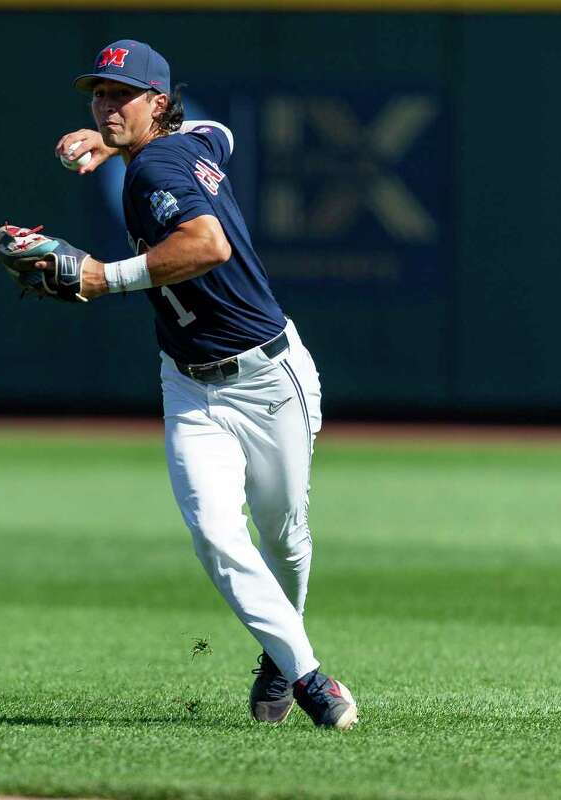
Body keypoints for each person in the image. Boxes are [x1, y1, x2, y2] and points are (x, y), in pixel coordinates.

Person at [54, 40, 357, 729]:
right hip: (188, 384)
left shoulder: (155, 165)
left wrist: (105, 276)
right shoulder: (187, 145)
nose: (105, 105)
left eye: (119, 95)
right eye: (98, 94)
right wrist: (111, 146)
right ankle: (309, 678)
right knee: (217, 535)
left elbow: (208, 244)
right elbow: (215, 133)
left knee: (284, 538)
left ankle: (280, 657)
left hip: (268, 377)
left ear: (157, 103)